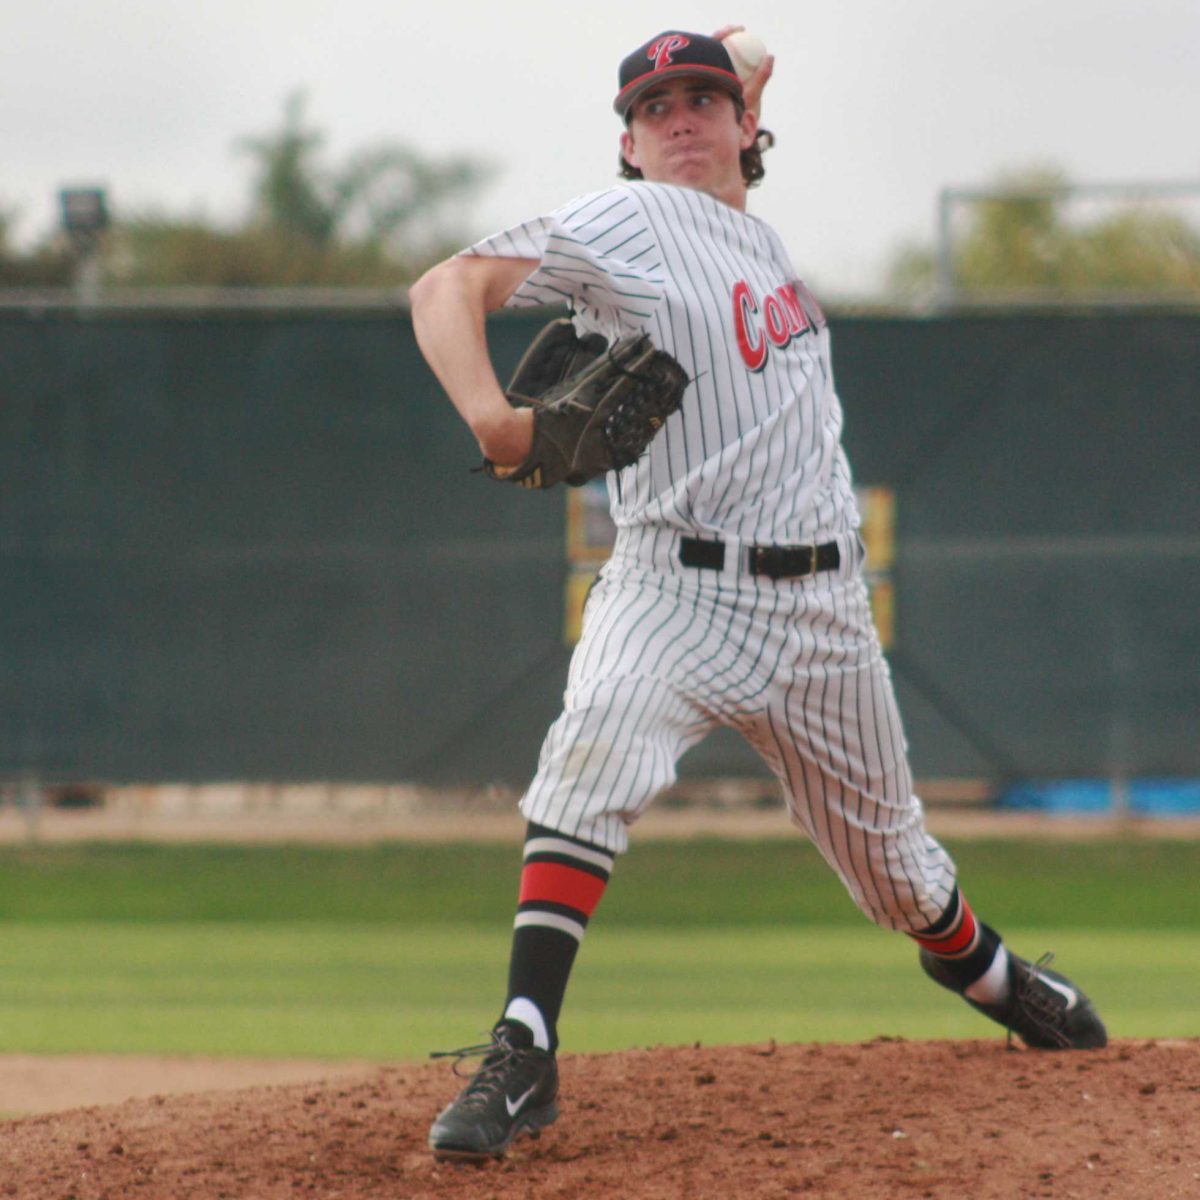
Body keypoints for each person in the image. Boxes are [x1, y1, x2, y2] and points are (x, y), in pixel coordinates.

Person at [409, 28, 1107, 1164]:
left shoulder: (754, 235)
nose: (680, 116)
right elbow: (446, 287)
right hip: (670, 585)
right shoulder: (623, 221)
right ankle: (524, 1048)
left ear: (746, 124)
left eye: (702, 101)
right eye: (654, 107)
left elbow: (751, 57)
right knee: (591, 756)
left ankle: (991, 972)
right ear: (627, 143)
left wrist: (743, 73)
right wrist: (492, 418)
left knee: (900, 876)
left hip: (826, 612)